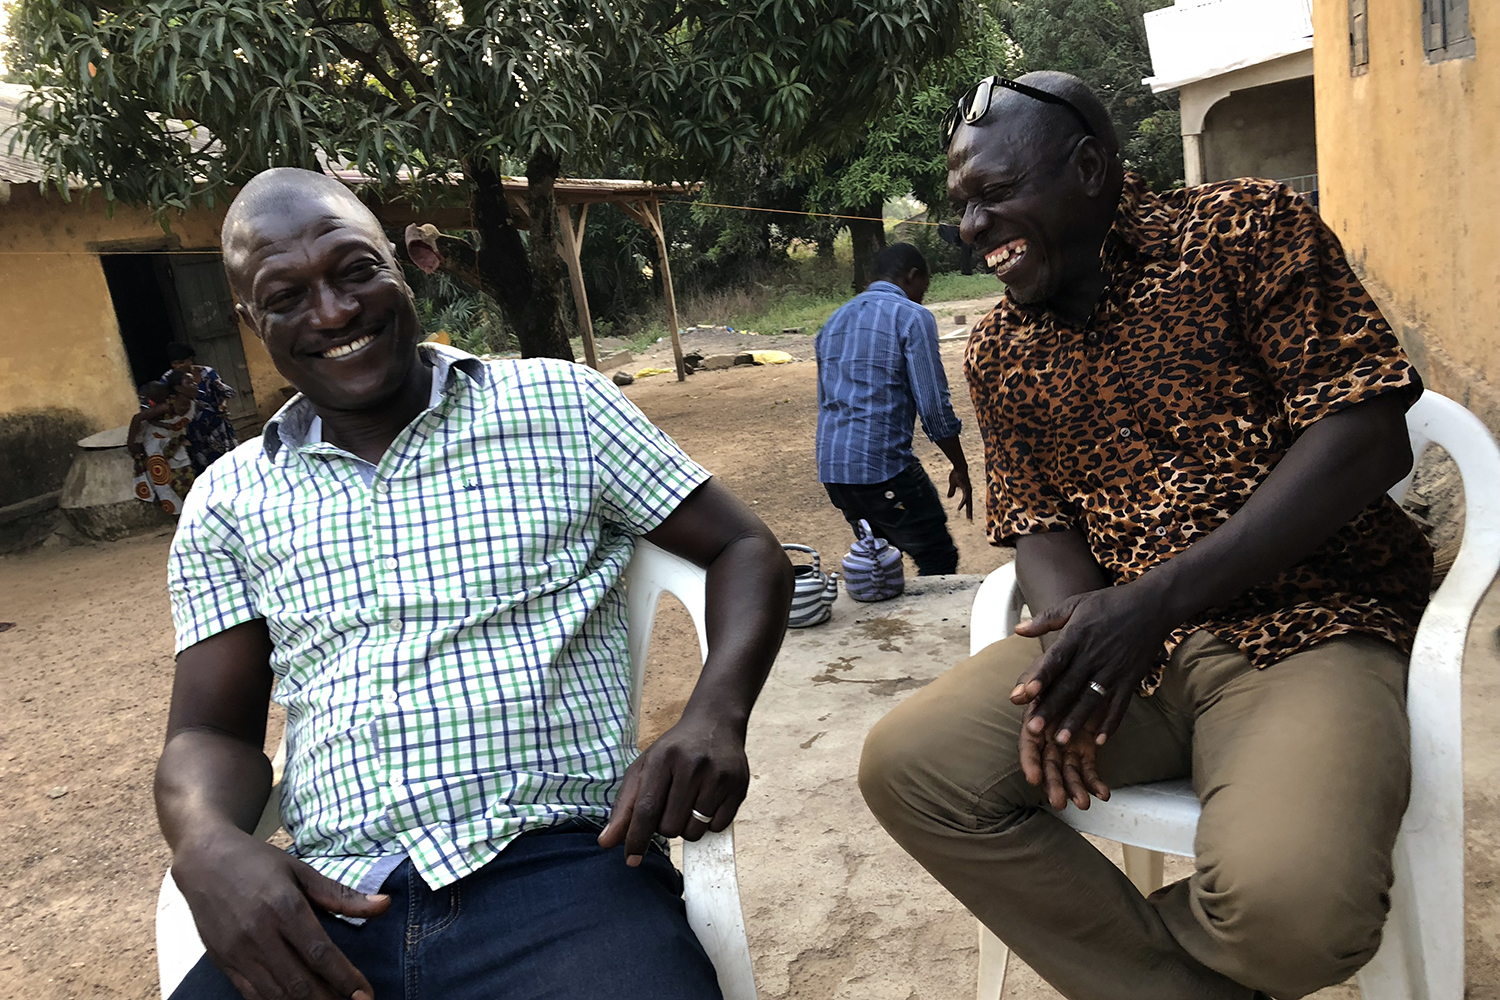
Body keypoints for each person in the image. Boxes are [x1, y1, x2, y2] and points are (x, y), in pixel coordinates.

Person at [859, 71, 1434, 1000]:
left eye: (995, 195)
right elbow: (1037, 524)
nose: (971, 231)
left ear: (1091, 168)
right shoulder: (1001, 348)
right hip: (1134, 653)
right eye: (961, 206)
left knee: (1294, 917)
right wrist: (1083, 644)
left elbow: (1365, 436)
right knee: (911, 769)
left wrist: (1150, 604)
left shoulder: (1245, 231)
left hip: (1309, 624)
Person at [158, 167, 794, 1000]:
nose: (336, 312)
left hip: (561, 875)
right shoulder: (228, 500)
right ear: (251, 320)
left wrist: (714, 716)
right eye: (287, 296)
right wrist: (204, 840)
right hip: (324, 902)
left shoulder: (559, 406)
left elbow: (746, 546)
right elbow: (209, 732)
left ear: (405, 260)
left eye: (356, 270)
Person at [815, 242, 973, 576]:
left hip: (834, 469)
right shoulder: (912, 317)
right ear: (913, 276)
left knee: (881, 558)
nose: (922, 297)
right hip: (881, 468)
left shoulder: (833, 321)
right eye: (923, 289)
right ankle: (932, 627)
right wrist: (960, 466)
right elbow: (933, 408)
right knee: (938, 556)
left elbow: (828, 399)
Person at [128, 369, 200, 516]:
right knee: (164, 483)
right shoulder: (166, 407)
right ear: (179, 388)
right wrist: (131, 443)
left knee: (186, 478)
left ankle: (191, 516)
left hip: (173, 443)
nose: (195, 385)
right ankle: (178, 520)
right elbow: (137, 419)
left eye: (194, 381)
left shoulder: (192, 403)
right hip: (156, 445)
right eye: (189, 382)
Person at [161, 341, 240, 472]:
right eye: (174, 363)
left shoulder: (207, 372)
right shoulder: (169, 378)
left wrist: (223, 404)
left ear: (190, 359)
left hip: (216, 426)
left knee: (226, 462)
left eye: (181, 362)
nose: (178, 366)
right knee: (202, 465)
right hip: (192, 429)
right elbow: (161, 399)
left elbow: (226, 391)